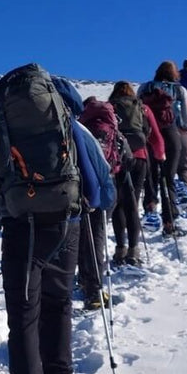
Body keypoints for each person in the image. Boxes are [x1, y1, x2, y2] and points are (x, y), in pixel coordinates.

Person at [0, 64, 111, 374]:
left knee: (24, 319)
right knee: (59, 305)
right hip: (65, 229)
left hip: (21, 233)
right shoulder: (70, 125)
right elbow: (99, 188)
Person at [138, 62, 187, 237]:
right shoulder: (179, 90)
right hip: (171, 135)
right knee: (168, 178)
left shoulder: (144, 87)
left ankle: (150, 208)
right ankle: (169, 222)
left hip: (148, 135)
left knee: (151, 176)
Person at [77, 98, 124, 309]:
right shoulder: (112, 125)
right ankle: (95, 289)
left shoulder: (79, 127)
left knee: (81, 237)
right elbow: (127, 157)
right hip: (105, 188)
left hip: (80, 189)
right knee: (96, 236)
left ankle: (86, 281)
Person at [109, 81, 160, 265]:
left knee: (118, 205)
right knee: (133, 203)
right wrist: (159, 154)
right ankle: (134, 250)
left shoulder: (111, 108)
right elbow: (152, 133)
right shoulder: (142, 107)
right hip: (139, 158)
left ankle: (120, 249)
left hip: (118, 159)